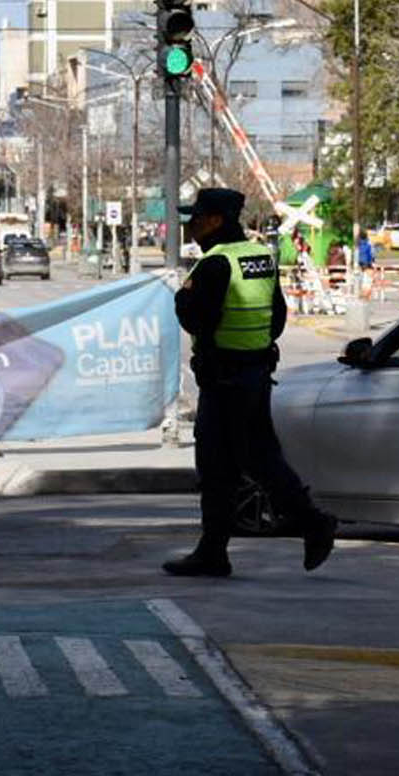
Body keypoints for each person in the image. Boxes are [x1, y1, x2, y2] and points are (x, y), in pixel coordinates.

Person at [164, 187, 336, 579]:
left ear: (215, 221)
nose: (190, 225)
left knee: (218, 465)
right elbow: (277, 317)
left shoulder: (214, 265)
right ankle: (216, 551)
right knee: (256, 458)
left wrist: (182, 298)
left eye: (196, 218)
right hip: (254, 374)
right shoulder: (260, 257)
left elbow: (195, 320)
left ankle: (309, 524)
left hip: (225, 380)